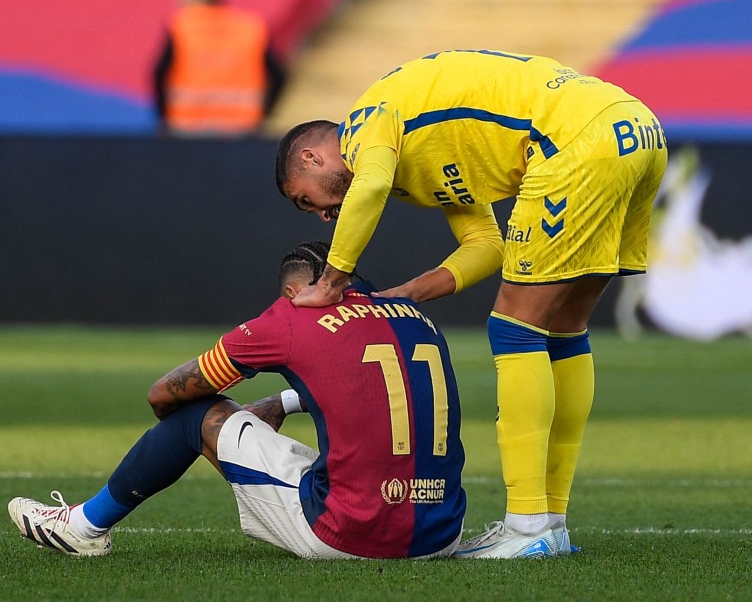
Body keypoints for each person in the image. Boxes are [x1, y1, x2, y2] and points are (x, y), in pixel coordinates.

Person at [274, 49, 668, 558]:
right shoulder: (423, 155)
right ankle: (551, 523)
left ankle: (528, 528)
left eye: (306, 199)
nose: (322, 216)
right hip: (635, 130)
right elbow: (486, 243)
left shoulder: (366, 122)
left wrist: (331, 282)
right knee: (564, 328)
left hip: (573, 139)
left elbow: (367, 185)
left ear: (310, 158)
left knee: (514, 329)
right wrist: (409, 293)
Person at [7, 241, 466, 560]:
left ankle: (83, 526)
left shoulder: (290, 316)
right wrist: (284, 403)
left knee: (194, 413)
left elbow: (162, 394)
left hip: (353, 533)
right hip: (442, 530)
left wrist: (205, 427)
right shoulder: (410, 314)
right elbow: (373, 386)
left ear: (292, 290)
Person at [152, 0, 287, 137]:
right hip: (242, 129)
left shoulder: (182, 25)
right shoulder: (250, 27)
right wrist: (264, 112)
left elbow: (160, 73)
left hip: (187, 128)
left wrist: (164, 117)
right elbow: (278, 74)